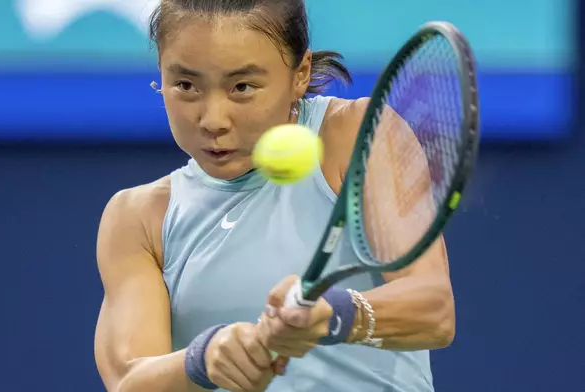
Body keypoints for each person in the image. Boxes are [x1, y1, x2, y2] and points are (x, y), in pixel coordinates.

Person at [93, 0, 456, 391]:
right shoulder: (137, 217)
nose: (213, 119)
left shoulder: (356, 135)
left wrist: (335, 315)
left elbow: (434, 309)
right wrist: (202, 360)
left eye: (242, 87)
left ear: (299, 73)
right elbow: (128, 379)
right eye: (186, 86)